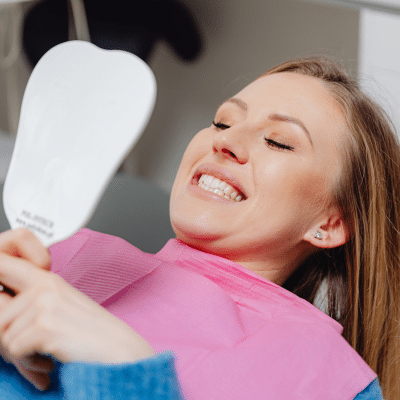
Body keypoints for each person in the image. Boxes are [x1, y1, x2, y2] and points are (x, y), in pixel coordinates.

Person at [0, 56, 398, 399]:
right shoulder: (59, 254)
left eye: (278, 141)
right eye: (222, 122)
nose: (225, 142)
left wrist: (126, 373)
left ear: (329, 224)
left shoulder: (330, 380)